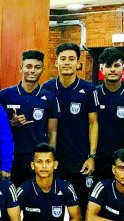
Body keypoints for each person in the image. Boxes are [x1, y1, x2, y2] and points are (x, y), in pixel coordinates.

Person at [41, 43, 98, 212]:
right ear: (56, 62)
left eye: (71, 59)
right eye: (63, 59)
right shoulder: (47, 88)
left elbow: (93, 123)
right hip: (54, 159)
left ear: (78, 63)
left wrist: (92, 156)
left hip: (79, 159)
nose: (67, 63)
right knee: (52, 206)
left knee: (80, 207)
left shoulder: (88, 89)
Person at [0, 50, 58, 185]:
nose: (32, 71)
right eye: (28, 66)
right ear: (21, 68)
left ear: (43, 69)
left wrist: (50, 158)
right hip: (11, 159)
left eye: (37, 67)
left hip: (36, 159)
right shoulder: (5, 95)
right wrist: (11, 124)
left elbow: (52, 132)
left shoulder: (49, 97)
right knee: (10, 202)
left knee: (34, 202)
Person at [92, 47, 124, 182]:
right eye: (108, 66)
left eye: (116, 65)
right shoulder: (93, 93)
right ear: (101, 69)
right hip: (98, 157)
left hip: (122, 159)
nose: (112, 70)